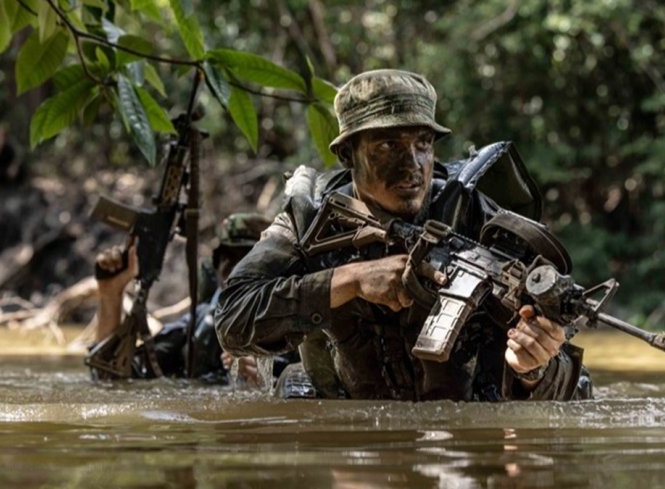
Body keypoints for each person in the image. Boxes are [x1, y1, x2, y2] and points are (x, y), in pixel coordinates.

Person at [215, 69, 593, 401]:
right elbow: (232, 318)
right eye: (387, 146)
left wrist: (533, 370)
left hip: (459, 446)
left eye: (422, 144)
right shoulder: (307, 219)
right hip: (351, 447)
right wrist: (350, 280)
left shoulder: (476, 218)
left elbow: (568, 377)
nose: (412, 166)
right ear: (348, 155)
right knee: (294, 392)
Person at [91, 212, 285, 383]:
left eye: (246, 258)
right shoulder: (198, 326)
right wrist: (111, 296)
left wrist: (269, 380)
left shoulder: (299, 323)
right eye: (226, 257)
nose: (234, 269)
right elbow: (111, 377)